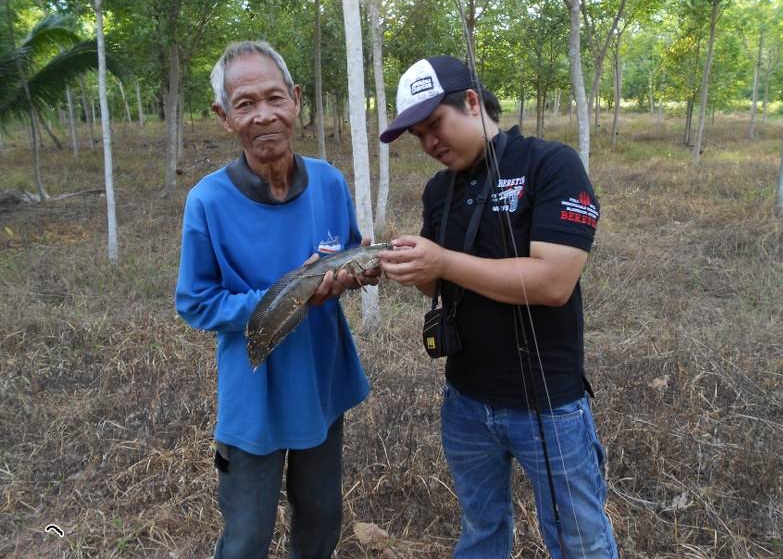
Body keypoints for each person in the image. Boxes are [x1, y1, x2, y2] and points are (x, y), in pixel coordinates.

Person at [377, 55, 619, 559]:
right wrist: (408, 267)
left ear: (471, 101)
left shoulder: (549, 163)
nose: (429, 144)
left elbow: (553, 281)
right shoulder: (439, 190)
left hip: (548, 404)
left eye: (434, 126)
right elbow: (437, 285)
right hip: (466, 402)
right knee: (482, 533)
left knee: (580, 541)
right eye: (418, 137)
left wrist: (442, 260)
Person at [175, 40, 378, 559]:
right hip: (254, 389)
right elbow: (196, 302)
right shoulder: (208, 201)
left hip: (321, 379)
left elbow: (347, 252)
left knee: (321, 518)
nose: (263, 115)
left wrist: (358, 272)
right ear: (224, 117)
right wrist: (284, 298)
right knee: (246, 533)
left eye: (274, 98)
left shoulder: (329, 182)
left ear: (295, 99)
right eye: (245, 104)